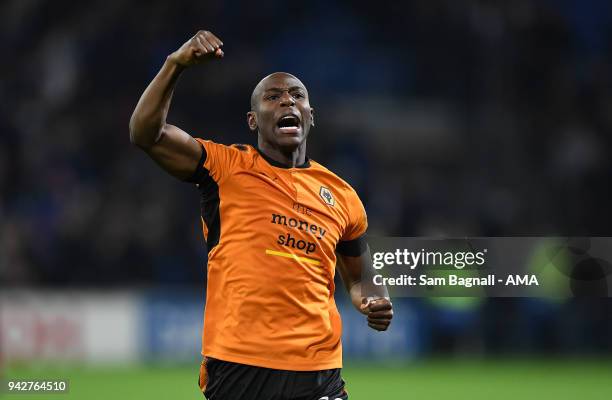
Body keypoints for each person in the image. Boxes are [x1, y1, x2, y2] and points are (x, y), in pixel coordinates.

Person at [129, 30, 393, 400]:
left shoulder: (343, 195)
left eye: (296, 96)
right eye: (273, 97)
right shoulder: (224, 167)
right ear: (253, 121)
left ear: (310, 116)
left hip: (317, 370)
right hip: (240, 367)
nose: (287, 101)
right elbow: (146, 134)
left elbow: (359, 277)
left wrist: (373, 300)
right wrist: (175, 65)